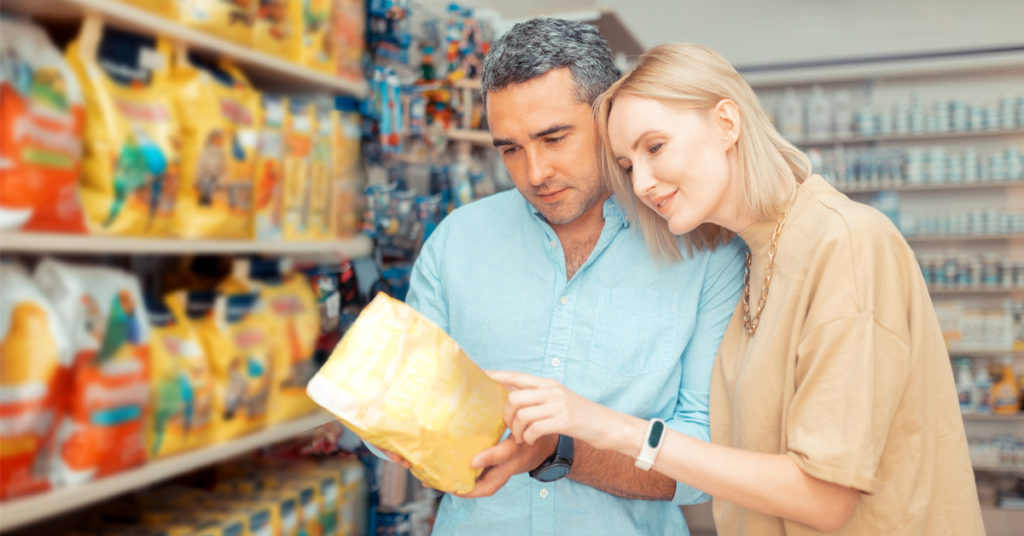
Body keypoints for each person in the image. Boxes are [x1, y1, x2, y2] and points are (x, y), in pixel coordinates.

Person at [489, 42, 985, 535]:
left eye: (655, 147)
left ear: (727, 123)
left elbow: (825, 497)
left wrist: (613, 428)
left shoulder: (847, 241)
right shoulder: (750, 255)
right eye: (626, 165)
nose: (641, 184)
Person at [375, 19, 747, 535]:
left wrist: (560, 452)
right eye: (509, 148)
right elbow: (401, 405)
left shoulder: (704, 250)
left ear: (607, 115)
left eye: (554, 138)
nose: (535, 172)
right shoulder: (457, 242)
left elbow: (705, 462)